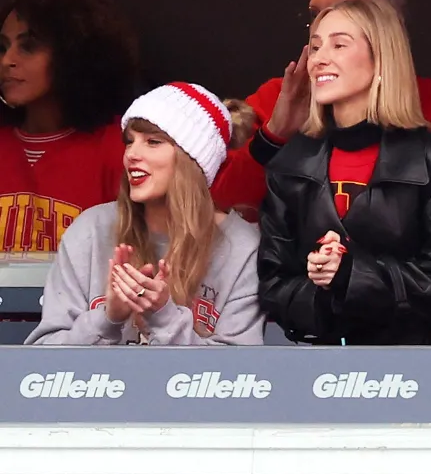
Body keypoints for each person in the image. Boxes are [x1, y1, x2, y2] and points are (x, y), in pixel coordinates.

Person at [257, 0, 431, 345]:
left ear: (381, 60)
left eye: (339, 44)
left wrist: (351, 275)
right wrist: (319, 282)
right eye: (315, 46)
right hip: (317, 372)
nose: (319, 59)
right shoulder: (290, 164)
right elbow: (273, 284)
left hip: (412, 372)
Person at [210, 0, 431, 218]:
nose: (322, 25)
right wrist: (274, 136)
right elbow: (220, 200)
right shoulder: (281, 97)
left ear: (389, 27)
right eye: (315, 14)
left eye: (345, 13)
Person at [25, 82, 265, 345]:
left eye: (152, 142)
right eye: (130, 142)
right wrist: (108, 319)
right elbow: (42, 358)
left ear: (193, 161)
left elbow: (241, 376)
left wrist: (165, 318)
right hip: (101, 387)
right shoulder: (90, 230)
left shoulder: (242, 248)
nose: (132, 155)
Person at [0, 0, 139, 253]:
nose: (6, 61)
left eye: (28, 46)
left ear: (73, 55)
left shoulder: (118, 148)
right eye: (2, 47)